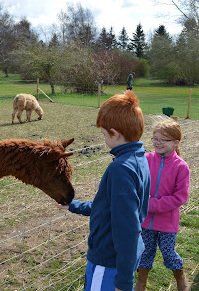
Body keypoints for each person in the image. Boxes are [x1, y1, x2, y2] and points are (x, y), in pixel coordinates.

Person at [63, 90, 150, 291]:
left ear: (115, 133)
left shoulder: (120, 169)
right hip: (120, 258)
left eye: (104, 134)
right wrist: (73, 206)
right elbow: (111, 207)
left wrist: (123, 282)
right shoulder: (139, 159)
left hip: (108, 262)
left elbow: (127, 228)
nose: (104, 140)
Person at [134, 120, 190, 291]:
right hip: (145, 221)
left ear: (176, 142)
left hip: (167, 223)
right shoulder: (145, 159)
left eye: (163, 140)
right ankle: (141, 282)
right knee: (144, 252)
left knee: (168, 252)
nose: (158, 143)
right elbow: (137, 185)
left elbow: (180, 197)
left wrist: (150, 204)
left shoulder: (181, 167)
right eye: (155, 138)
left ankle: (179, 275)